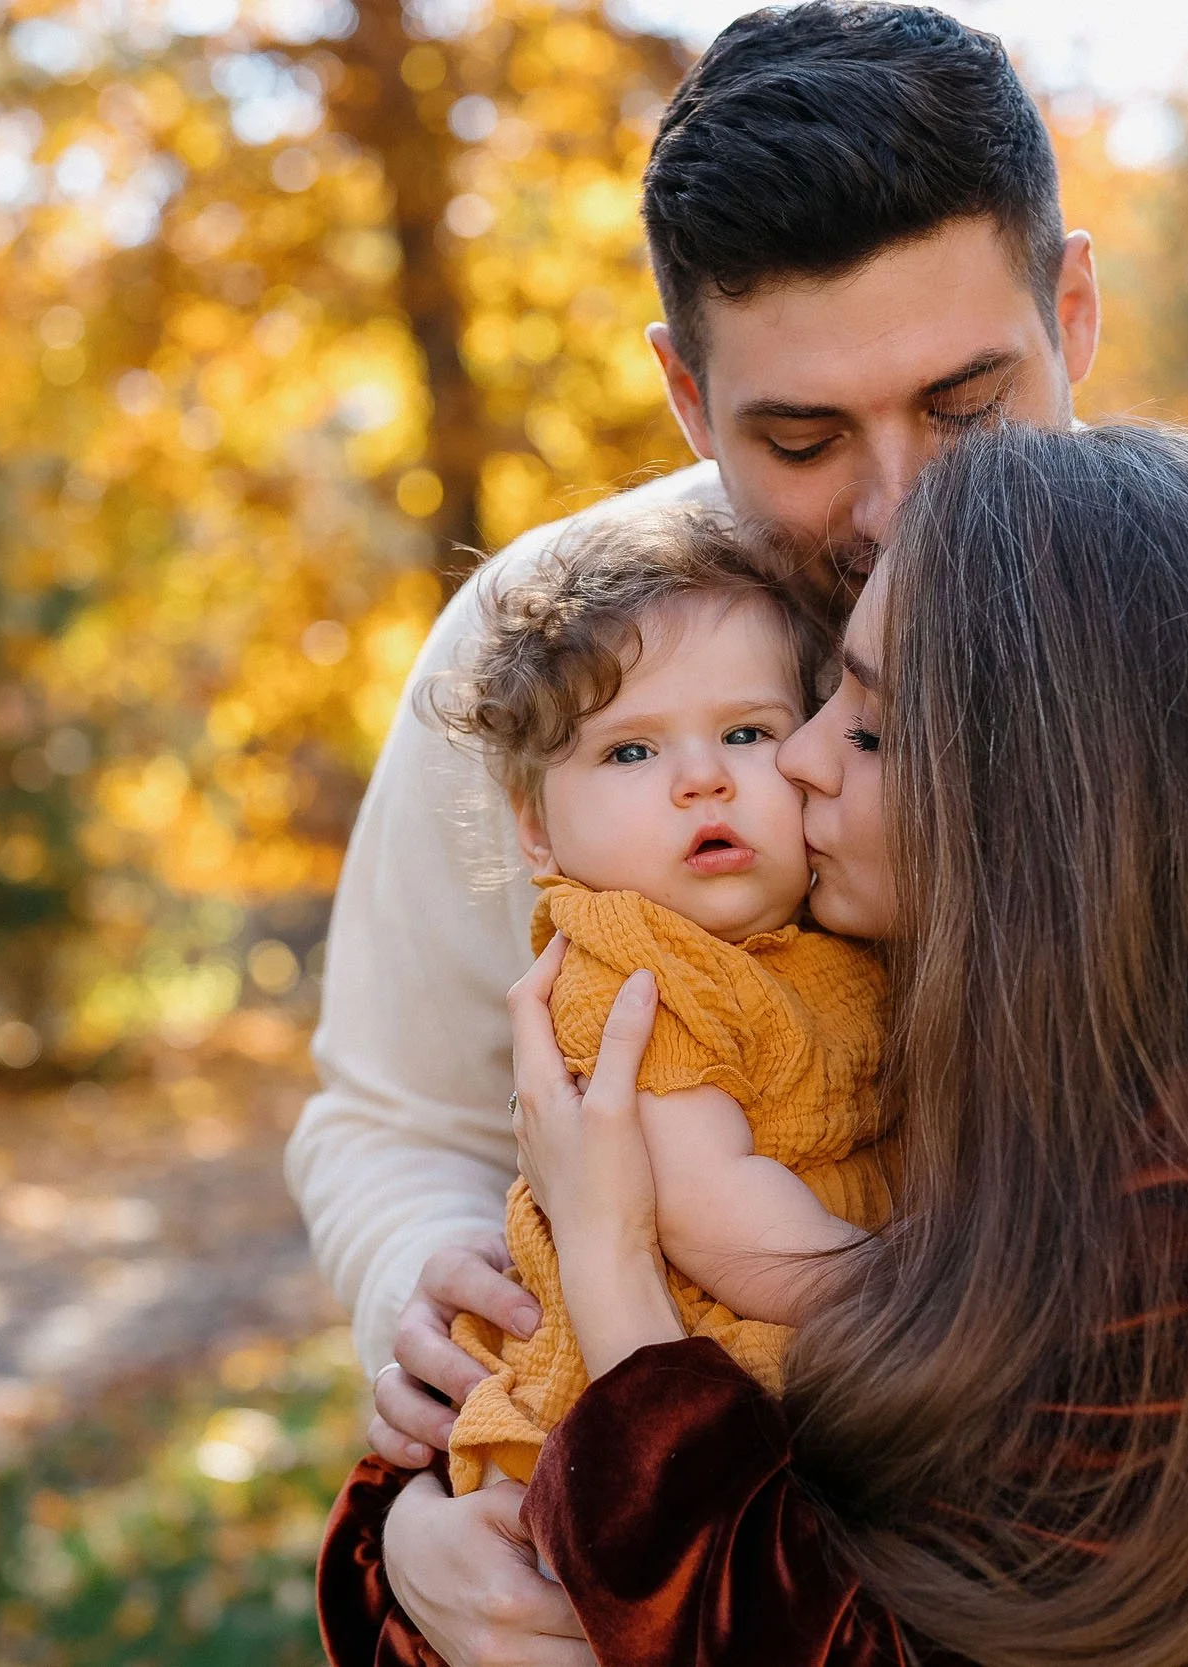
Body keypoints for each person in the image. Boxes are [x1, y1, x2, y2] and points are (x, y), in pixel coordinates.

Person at [283, 6, 1188, 1664]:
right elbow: (395, 1113)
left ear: (1074, 310)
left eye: (965, 402)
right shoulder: (567, 665)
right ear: (687, 395)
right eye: (802, 437)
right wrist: (430, 1440)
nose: (895, 500)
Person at [319, 421, 1188, 1666]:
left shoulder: (1174, 1217)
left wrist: (610, 1261)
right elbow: (404, 1145)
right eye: (825, 703)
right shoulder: (757, 984)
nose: (796, 761)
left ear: (1050, 807)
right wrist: (403, 1539)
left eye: (861, 728)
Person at [411, 502, 895, 1496]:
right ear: (535, 831)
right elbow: (714, 1212)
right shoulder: (629, 968)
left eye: (747, 731)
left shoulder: (824, 943)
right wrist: (924, 1292)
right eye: (631, 751)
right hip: (648, 1387)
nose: (702, 780)